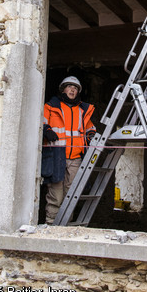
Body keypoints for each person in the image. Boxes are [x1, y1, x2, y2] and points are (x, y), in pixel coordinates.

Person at [41, 75, 96, 224]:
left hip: (76, 158)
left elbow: (91, 129)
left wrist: (93, 136)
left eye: (75, 88)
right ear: (63, 89)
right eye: (69, 87)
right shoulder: (51, 107)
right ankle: (51, 223)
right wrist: (46, 130)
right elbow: (41, 121)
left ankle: (66, 225)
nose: (72, 90)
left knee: (71, 194)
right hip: (56, 156)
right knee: (55, 194)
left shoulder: (83, 110)